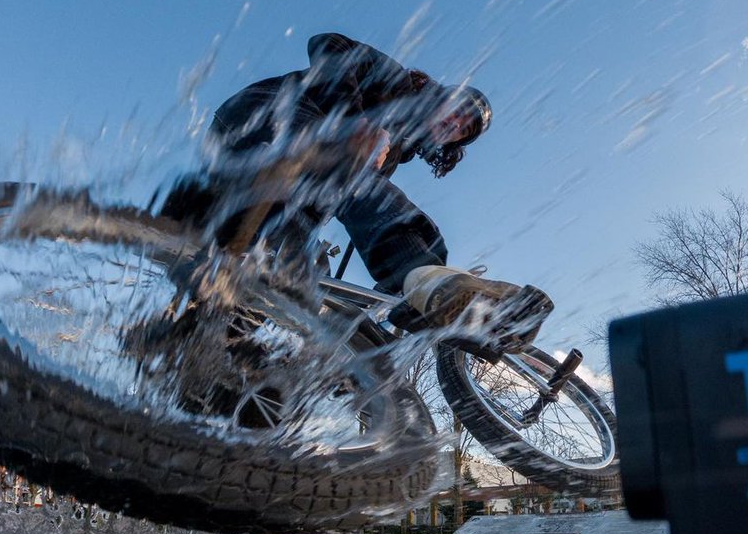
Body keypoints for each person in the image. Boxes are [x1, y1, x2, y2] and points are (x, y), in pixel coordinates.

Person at [165, 32, 552, 340]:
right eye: (457, 112)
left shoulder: (394, 153)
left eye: (461, 133)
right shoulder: (396, 83)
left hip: (271, 184)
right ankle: (425, 278)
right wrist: (355, 121)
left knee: (290, 278)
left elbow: (337, 201)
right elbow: (328, 44)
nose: (454, 126)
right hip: (266, 122)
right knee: (347, 173)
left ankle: (206, 349)